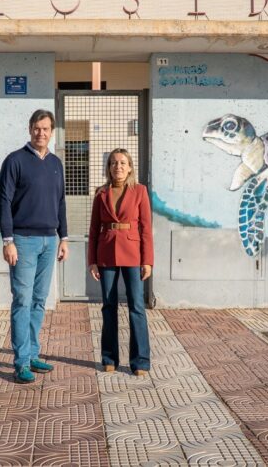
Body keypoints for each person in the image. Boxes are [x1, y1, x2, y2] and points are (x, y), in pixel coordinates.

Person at [0, 109, 69, 384]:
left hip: (50, 241)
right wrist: (8, 241)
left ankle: (33, 353)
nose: (41, 133)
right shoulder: (15, 161)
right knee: (22, 300)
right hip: (23, 241)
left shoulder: (56, 163)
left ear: (52, 131)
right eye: (37, 128)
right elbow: (3, 201)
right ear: (30, 129)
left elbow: (60, 202)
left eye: (46, 129)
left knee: (39, 300)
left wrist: (64, 238)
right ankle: (21, 362)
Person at [87, 148, 153, 376]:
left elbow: (146, 228)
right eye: (114, 163)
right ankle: (109, 358)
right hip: (106, 254)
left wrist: (147, 261)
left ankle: (140, 361)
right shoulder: (101, 193)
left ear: (130, 167)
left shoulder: (140, 191)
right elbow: (94, 229)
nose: (118, 167)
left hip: (133, 253)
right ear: (109, 167)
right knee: (108, 306)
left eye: (123, 163)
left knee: (136, 306)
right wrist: (92, 261)